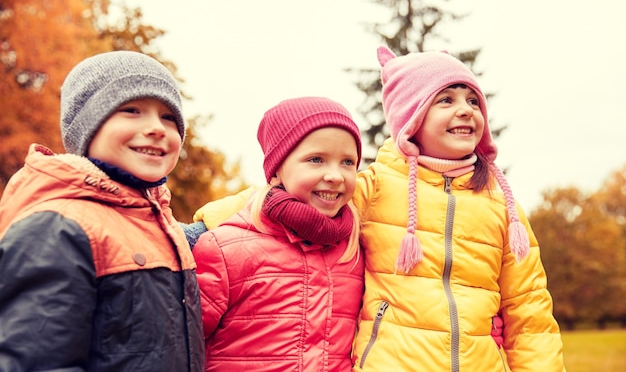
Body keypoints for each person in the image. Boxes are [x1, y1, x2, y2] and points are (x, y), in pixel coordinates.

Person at [349, 47, 565, 371]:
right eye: (446, 100)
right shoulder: (373, 186)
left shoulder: (502, 205)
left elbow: (529, 314)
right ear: (411, 115)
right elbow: (295, 206)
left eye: (473, 100)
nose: (465, 110)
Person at [0, 51, 204, 371]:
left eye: (168, 117)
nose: (156, 127)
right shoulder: (58, 228)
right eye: (131, 110)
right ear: (88, 127)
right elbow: (36, 360)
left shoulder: (158, 223)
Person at [191, 97, 365, 371]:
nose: (335, 175)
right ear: (276, 172)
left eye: (347, 162)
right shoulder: (226, 249)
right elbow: (182, 343)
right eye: (316, 159)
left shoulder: (355, 250)